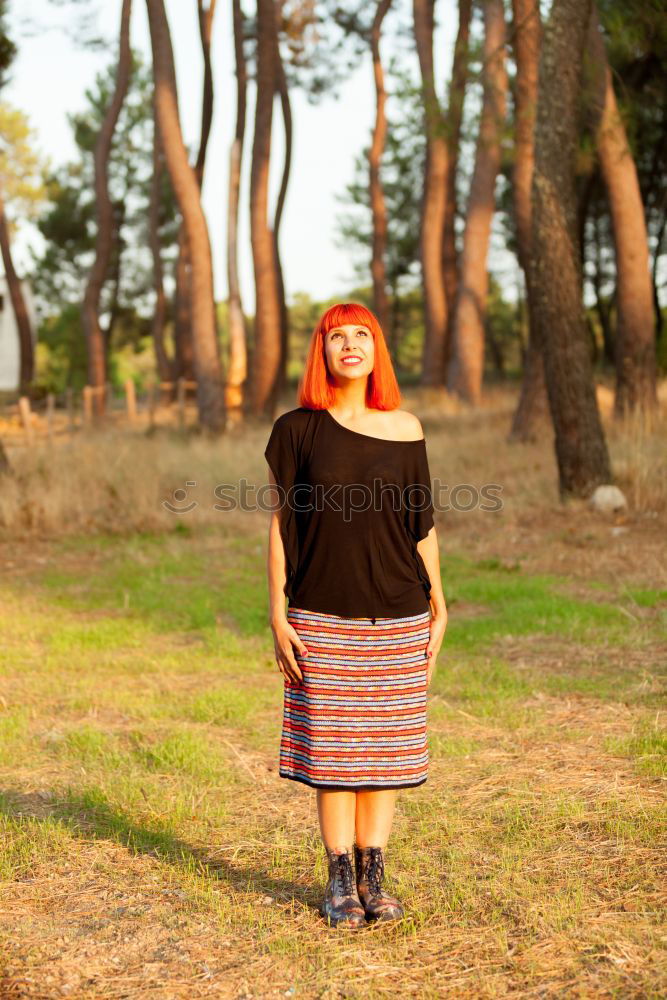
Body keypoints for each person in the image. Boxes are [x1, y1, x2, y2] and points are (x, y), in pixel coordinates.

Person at [264, 302, 448, 929]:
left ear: (376, 350)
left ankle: (374, 875)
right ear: (322, 350)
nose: (350, 345)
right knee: (335, 756)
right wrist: (276, 610)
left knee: (387, 754)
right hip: (321, 612)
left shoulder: (407, 428)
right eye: (337, 335)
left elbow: (421, 523)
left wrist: (439, 602)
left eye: (361, 335)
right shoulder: (297, 430)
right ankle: (338, 877)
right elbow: (280, 523)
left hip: (398, 613)